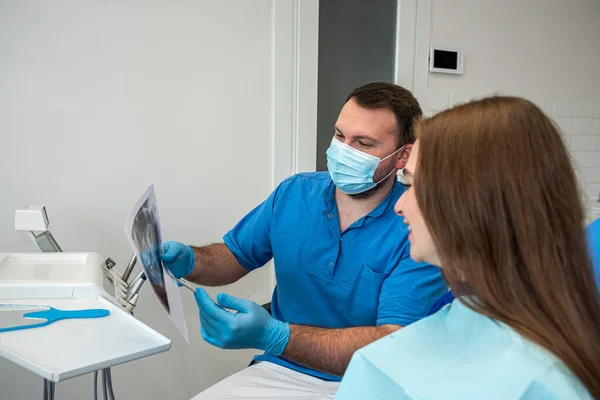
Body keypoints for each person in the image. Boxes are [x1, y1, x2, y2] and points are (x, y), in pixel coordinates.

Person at [161, 82, 448, 399]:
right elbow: (234, 255)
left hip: (366, 381)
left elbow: (391, 342)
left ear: (402, 156)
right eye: (340, 136)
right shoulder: (295, 193)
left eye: (364, 143)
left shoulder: (417, 226)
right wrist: (192, 260)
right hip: (279, 369)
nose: (344, 151)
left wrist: (277, 335)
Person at [335, 96, 600, 399]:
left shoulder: (541, 383)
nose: (399, 206)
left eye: (411, 186)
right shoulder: (462, 307)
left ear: (471, 203)